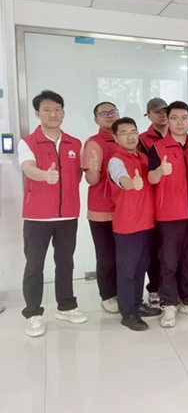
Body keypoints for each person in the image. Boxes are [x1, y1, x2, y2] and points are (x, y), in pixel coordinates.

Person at [18, 90, 88, 337]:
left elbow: (79, 175)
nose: (53, 114)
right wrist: (43, 175)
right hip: (37, 216)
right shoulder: (27, 142)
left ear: (63, 113)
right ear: (37, 113)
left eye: (57, 109)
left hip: (68, 215)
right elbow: (28, 168)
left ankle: (66, 306)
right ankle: (33, 314)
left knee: (66, 262)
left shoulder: (74, 143)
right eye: (46, 110)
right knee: (34, 266)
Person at [148, 101, 188, 328]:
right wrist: (160, 171)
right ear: (168, 121)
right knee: (168, 263)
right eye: (174, 118)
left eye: (184, 118)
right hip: (168, 216)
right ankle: (169, 304)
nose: (179, 122)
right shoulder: (158, 148)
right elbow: (150, 178)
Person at [108, 117, 161, 331]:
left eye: (133, 132)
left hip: (147, 223)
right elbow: (120, 177)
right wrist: (131, 183)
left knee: (141, 269)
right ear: (115, 138)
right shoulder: (116, 160)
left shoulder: (142, 156)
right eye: (124, 133)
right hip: (128, 225)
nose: (130, 137)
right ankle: (128, 313)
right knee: (127, 271)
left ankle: (138, 304)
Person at [83, 102, 120, 314]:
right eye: (104, 114)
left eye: (113, 112)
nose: (110, 116)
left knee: (123, 255)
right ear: (96, 119)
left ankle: (123, 293)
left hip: (124, 209)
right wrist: (94, 170)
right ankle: (108, 296)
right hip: (102, 209)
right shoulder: (94, 143)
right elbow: (91, 180)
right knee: (106, 255)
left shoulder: (125, 139)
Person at [138, 97, 168, 305]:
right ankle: (155, 287)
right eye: (157, 111)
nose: (162, 114)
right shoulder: (141, 140)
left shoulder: (179, 136)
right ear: (148, 115)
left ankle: (176, 287)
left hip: (177, 200)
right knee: (154, 248)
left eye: (165, 110)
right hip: (152, 200)